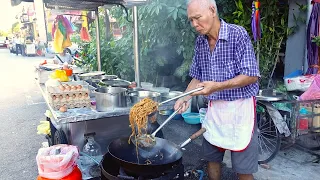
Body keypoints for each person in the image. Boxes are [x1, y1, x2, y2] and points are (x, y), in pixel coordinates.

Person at [174, 0, 260, 180]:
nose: (194, 24)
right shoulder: (200, 42)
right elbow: (197, 76)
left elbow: (251, 75)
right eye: (191, 20)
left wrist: (217, 85)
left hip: (240, 109)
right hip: (215, 111)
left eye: (197, 18)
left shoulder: (237, 34)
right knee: (212, 158)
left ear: (212, 10)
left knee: (242, 168)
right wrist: (184, 97)